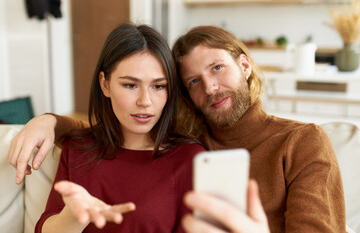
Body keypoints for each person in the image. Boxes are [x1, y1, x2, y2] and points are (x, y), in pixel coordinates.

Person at [8, 25, 346, 233]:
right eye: (194, 81)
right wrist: (50, 121)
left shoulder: (301, 141)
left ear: (245, 65)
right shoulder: (196, 142)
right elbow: (116, 139)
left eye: (218, 68)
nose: (211, 88)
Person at [27, 23, 206, 233]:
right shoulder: (77, 147)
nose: (145, 101)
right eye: (130, 85)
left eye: (158, 86)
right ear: (105, 84)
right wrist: (73, 217)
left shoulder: (190, 158)